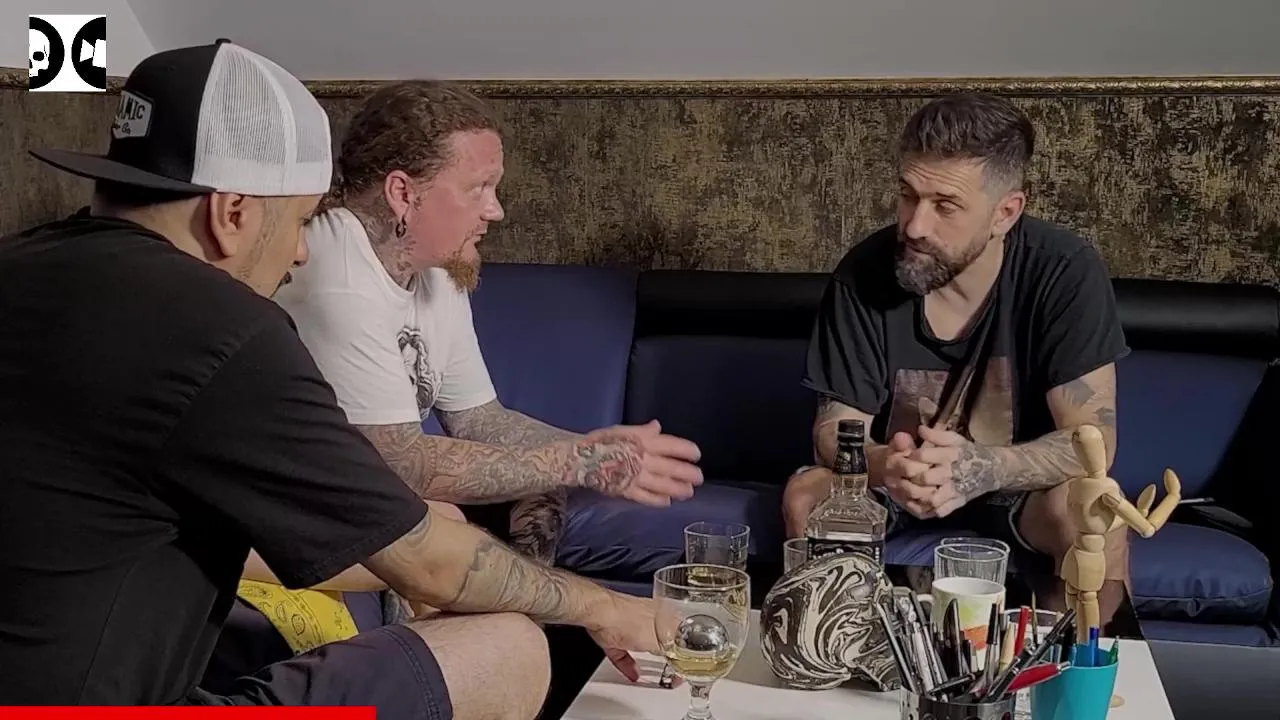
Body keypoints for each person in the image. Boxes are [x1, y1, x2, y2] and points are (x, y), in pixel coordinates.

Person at [0, 40, 676, 718]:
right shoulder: (224, 329)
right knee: (508, 650)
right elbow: (425, 557)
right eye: (299, 220)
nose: (300, 251)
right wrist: (607, 607)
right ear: (231, 214)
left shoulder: (22, 264)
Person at [786, 93, 1130, 622]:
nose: (915, 226)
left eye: (945, 206)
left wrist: (983, 467)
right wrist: (891, 465)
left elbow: (1093, 442)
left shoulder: (1063, 270)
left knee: (1096, 509)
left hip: (1018, 485)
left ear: (1005, 213)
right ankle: (835, 651)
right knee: (808, 496)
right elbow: (834, 432)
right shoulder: (863, 273)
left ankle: (1076, 663)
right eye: (908, 195)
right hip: (897, 481)